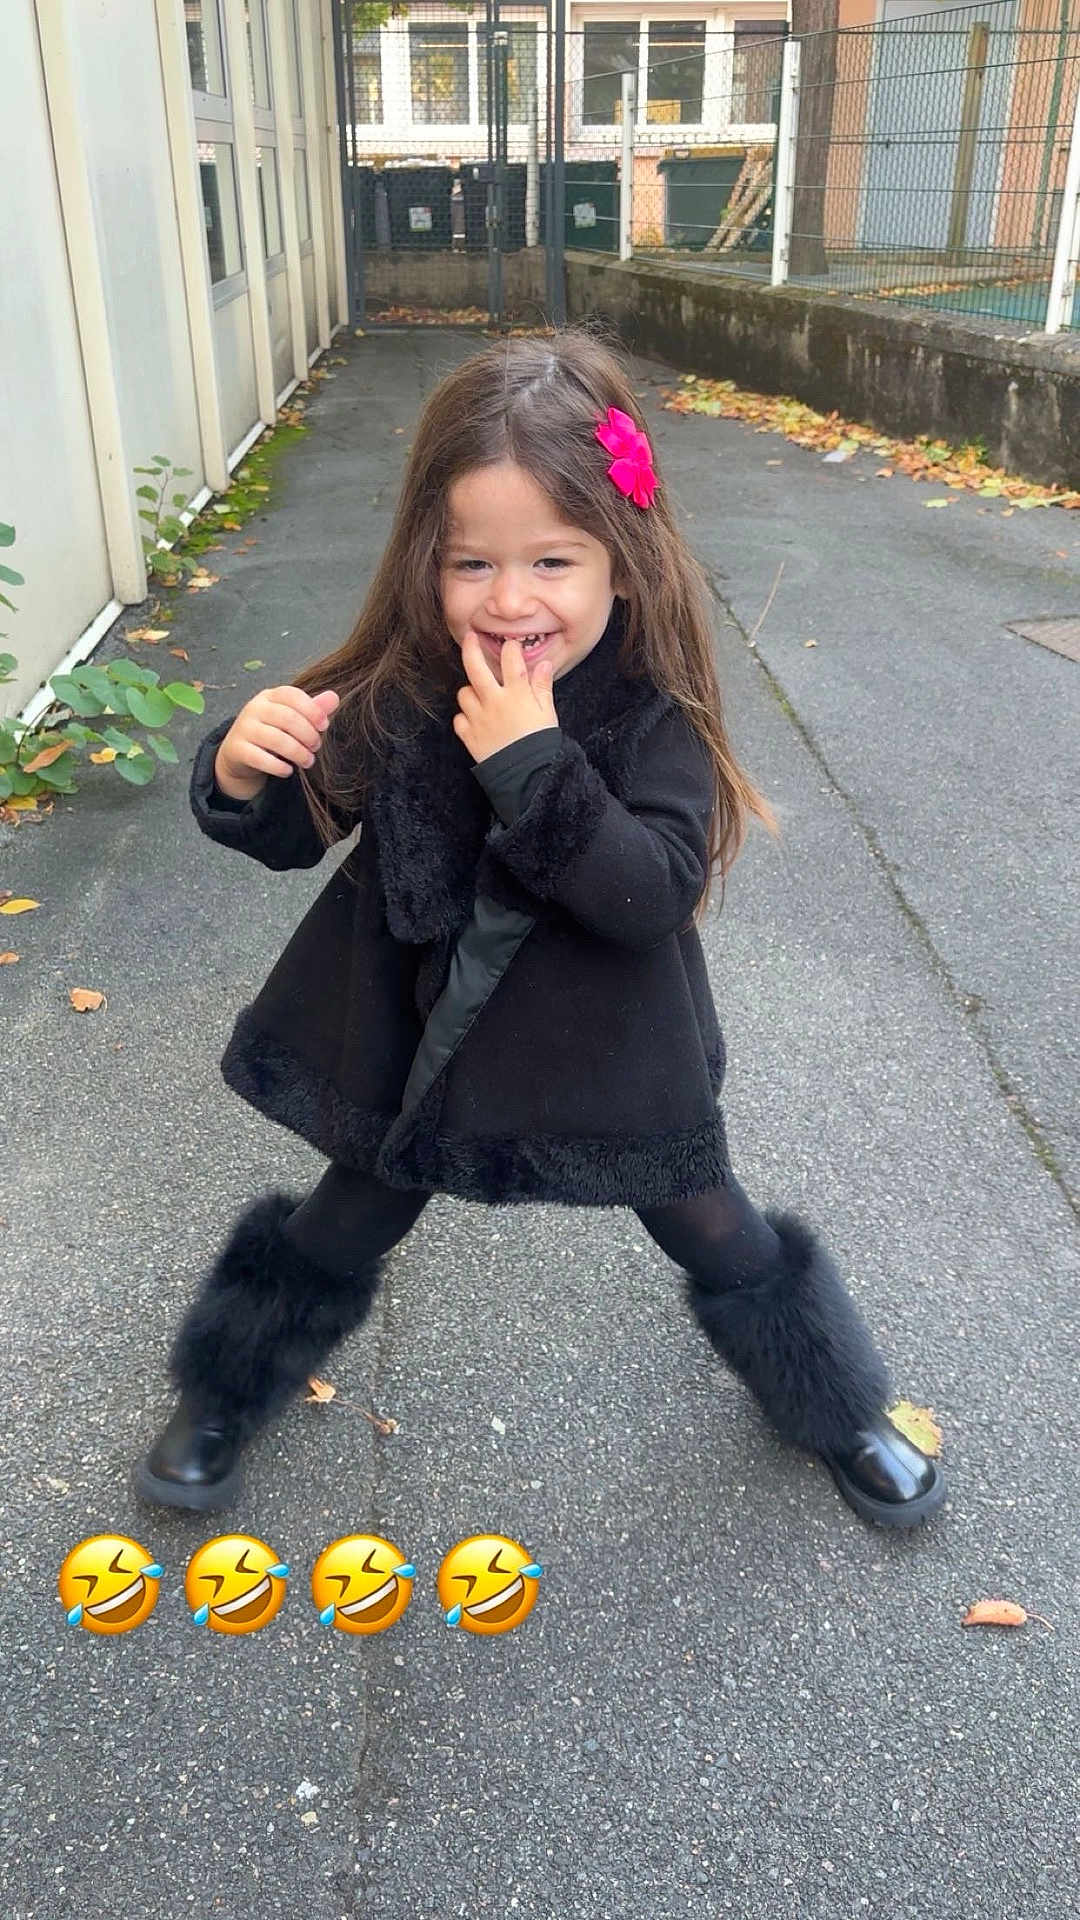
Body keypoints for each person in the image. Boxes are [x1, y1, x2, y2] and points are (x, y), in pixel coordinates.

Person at [135, 328, 944, 1530]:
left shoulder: (651, 714)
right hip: (419, 1053)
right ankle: (221, 1391)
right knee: (345, 1215)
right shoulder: (410, 684)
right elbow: (302, 824)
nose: (511, 601)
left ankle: (836, 1405)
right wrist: (246, 775)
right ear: (428, 560)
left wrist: (533, 765)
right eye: (472, 564)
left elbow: (648, 892)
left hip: (609, 1050)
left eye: (553, 560)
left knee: (710, 1222)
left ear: (623, 559)